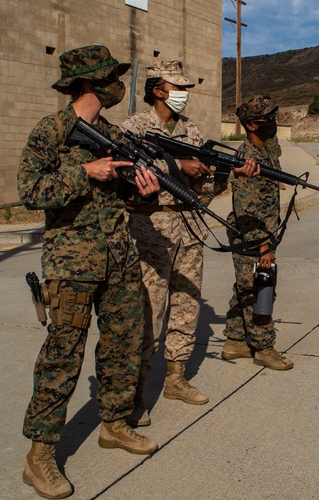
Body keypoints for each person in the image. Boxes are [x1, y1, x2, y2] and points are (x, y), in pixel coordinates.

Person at [17, 45, 161, 500]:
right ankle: (40, 456)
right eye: (110, 77)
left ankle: (114, 423)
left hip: (119, 257)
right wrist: (85, 172)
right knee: (63, 355)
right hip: (71, 263)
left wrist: (146, 193)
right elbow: (30, 189)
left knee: (124, 342)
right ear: (87, 83)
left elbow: (131, 201)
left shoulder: (116, 136)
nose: (117, 85)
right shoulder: (52, 132)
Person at [121, 61, 258, 418]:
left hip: (190, 227)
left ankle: (176, 379)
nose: (182, 95)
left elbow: (206, 188)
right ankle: (135, 390)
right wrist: (177, 166)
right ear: (157, 90)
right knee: (149, 308)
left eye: (185, 89)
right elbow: (127, 171)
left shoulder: (192, 131)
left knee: (186, 302)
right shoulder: (135, 126)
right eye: (176, 88)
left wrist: (227, 173)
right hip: (152, 227)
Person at [220, 95, 294, 370]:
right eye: (269, 118)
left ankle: (235, 342)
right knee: (260, 287)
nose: (274, 122)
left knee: (244, 286)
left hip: (260, 230)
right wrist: (264, 247)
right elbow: (246, 210)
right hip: (250, 234)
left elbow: (274, 147)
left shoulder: (265, 150)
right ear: (252, 125)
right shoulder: (248, 159)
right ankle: (263, 348)